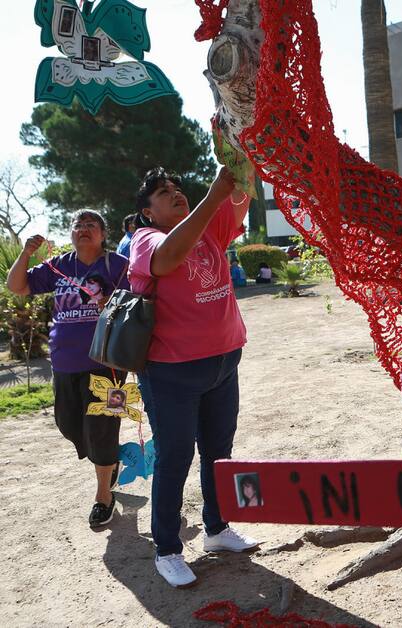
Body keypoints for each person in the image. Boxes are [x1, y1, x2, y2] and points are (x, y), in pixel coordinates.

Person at [131, 166, 258, 588]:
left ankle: (217, 530)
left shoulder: (207, 226)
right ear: (148, 213)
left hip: (223, 363)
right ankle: (167, 549)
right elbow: (167, 259)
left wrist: (237, 156)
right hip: (172, 372)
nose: (175, 194)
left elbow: (242, 192)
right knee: (175, 457)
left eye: (177, 188)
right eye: (163, 194)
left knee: (219, 452)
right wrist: (213, 195)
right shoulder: (145, 240)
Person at [6, 210, 130, 529]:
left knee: (103, 426)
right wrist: (25, 252)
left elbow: (140, 300)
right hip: (64, 362)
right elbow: (17, 286)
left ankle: (104, 495)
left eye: (91, 225)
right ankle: (109, 460)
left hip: (110, 365)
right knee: (70, 425)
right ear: (70, 233)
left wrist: (114, 303)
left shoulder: (118, 265)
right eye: (78, 225)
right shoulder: (59, 266)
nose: (83, 229)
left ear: (103, 234)